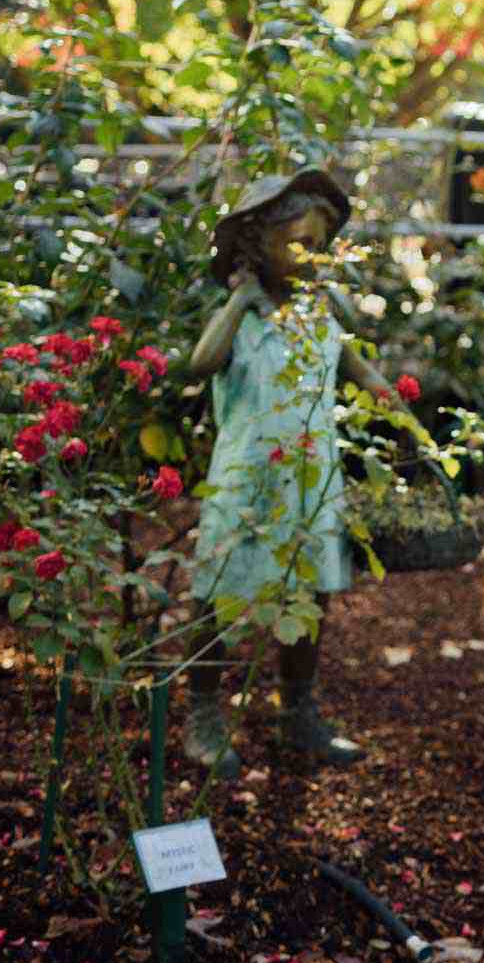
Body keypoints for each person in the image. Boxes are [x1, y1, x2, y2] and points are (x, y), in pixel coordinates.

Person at [182, 168, 387, 777]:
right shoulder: (240, 320)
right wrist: (240, 298)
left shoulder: (320, 318)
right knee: (218, 594)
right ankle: (202, 713)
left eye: (316, 247)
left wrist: (397, 401)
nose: (307, 257)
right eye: (293, 243)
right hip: (246, 480)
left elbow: (360, 373)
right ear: (255, 246)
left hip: (310, 481)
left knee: (310, 597)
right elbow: (200, 363)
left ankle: (297, 711)